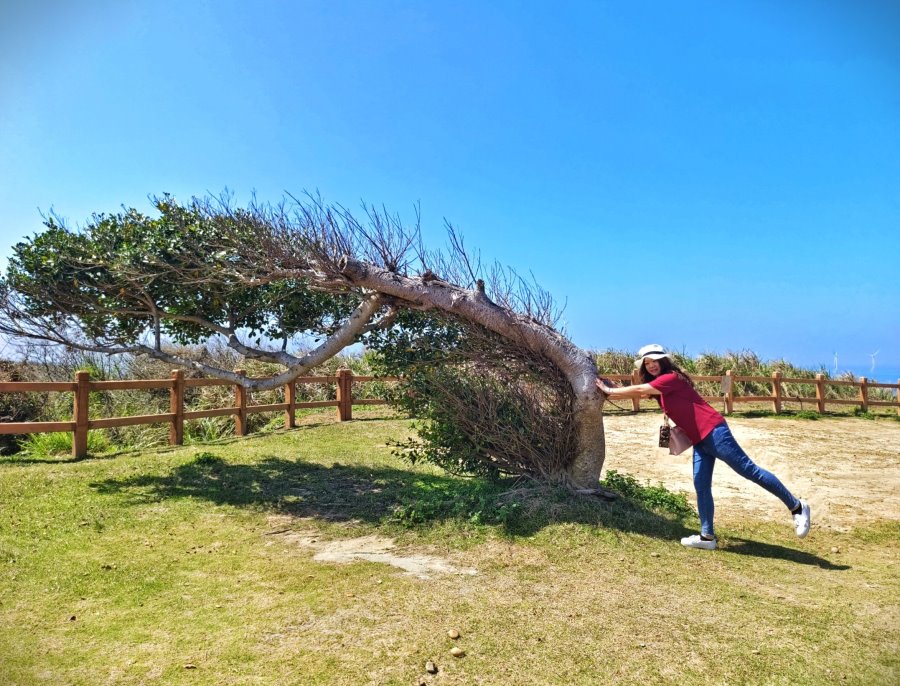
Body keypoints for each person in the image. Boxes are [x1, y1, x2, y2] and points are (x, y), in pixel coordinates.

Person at [595, 344, 811, 550]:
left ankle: (797, 506)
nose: (651, 365)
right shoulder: (662, 383)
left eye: (655, 361)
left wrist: (609, 391)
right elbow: (642, 392)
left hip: (715, 432)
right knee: (701, 484)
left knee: (750, 471)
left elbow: (642, 388)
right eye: (647, 362)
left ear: (664, 361)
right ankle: (707, 536)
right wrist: (608, 386)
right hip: (699, 440)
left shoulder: (672, 378)